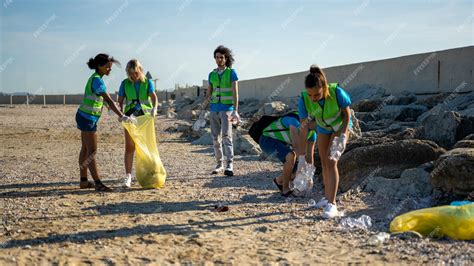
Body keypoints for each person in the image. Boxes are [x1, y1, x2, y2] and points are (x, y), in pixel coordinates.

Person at [298, 65, 352, 218]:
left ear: (324, 87)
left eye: (316, 94)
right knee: (323, 161)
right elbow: (304, 126)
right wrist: (302, 157)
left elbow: (347, 115)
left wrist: (343, 135)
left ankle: (332, 204)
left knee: (331, 160)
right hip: (323, 128)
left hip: (340, 126)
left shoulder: (336, 92)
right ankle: (327, 197)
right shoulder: (304, 99)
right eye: (310, 95)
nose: (313, 98)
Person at [76, 53, 133, 192]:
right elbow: (107, 99)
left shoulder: (96, 78)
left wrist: (109, 108)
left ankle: (84, 181)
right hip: (88, 119)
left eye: (110, 67)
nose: (109, 70)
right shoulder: (97, 80)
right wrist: (122, 116)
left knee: (85, 149)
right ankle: (98, 183)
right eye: (107, 67)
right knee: (92, 151)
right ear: (99, 66)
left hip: (84, 116)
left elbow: (102, 99)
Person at [117, 59, 158, 188]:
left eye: (135, 73)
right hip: (130, 118)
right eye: (130, 73)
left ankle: (149, 173)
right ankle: (128, 177)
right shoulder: (124, 84)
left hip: (145, 118)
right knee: (130, 147)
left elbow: (154, 98)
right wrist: (121, 115)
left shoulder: (147, 82)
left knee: (146, 146)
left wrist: (154, 108)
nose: (133, 76)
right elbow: (120, 102)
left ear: (140, 70)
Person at [258, 112, 317, 197]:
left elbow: (310, 156)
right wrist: (302, 167)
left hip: (281, 144)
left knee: (297, 171)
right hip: (266, 140)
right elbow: (296, 146)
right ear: (311, 121)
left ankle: (279, 181)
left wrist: (310, 174)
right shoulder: (294, 122)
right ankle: (285, 189)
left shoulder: (312, 134)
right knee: (291, 156)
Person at [206, 45, 240, 176]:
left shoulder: (231, 73)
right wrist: (203, 110)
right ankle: (219, 164)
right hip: (214, 109)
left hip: (227, 109)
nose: (219, 59)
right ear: (214, 59)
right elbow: (209, 94)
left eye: (222, 57)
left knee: (226, 136)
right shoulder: (211, 75)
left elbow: (235, 93)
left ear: (226, 58)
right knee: (215, 138)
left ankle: (229, 164)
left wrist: (236, 111)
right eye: (217, 57)